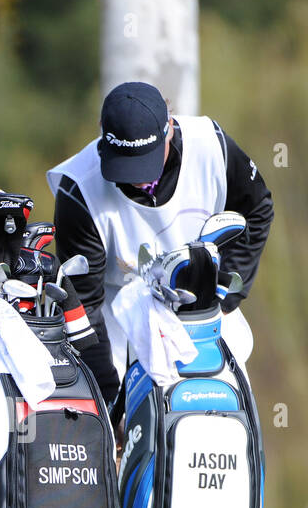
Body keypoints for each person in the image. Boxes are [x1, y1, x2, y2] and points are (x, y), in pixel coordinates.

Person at [47, 81, 274, 411]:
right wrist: (110, 400)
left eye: (144, 163)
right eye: (125, 166)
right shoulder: (78, 189)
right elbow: (85, 307)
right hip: (120, 321)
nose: (138, 180)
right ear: (102, 135)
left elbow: (256, 210)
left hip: (206, 311)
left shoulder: (210, 145)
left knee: (227, 421)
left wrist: (226, 294)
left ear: (168, 128)